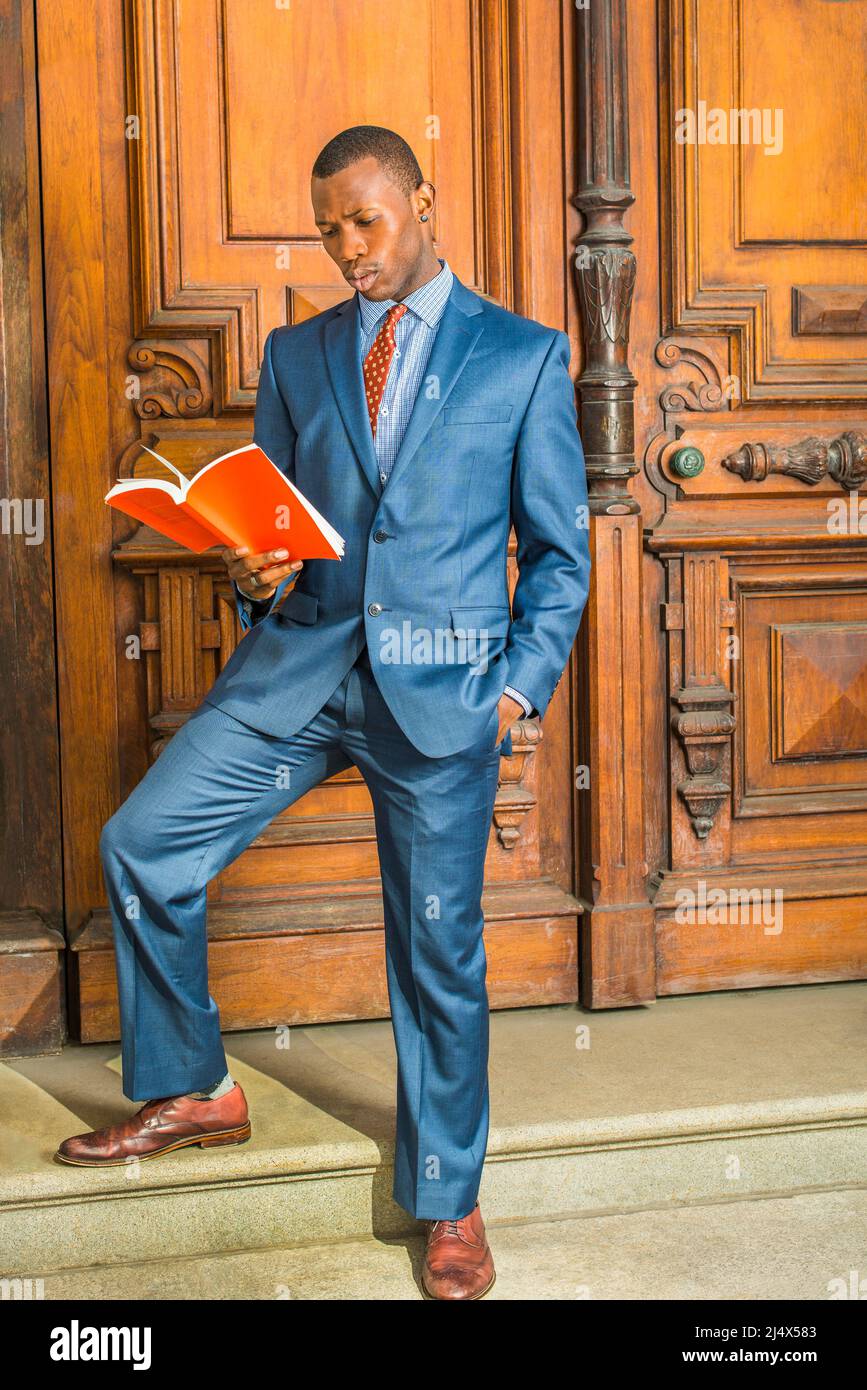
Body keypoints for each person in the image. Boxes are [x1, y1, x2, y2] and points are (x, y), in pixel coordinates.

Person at [56, 125, 591, 1301]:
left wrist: (512, 687)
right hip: (303, 668)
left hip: (443, 688)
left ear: (424, 202)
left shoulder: (522, 356)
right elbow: (281, 535)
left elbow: (559, 554)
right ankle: (198, 1087)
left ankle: (447, 1197)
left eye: (366, 220)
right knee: (143, 843)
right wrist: (252, 572)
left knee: (436, 946)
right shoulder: (298, 357)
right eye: (330, 227)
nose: (348, 247)